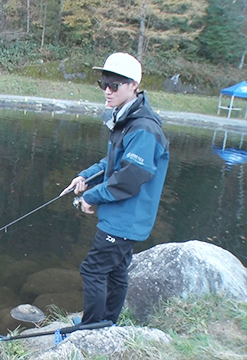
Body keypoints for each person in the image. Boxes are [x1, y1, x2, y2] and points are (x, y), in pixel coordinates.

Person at [60, 52, 169, 325]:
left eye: (115, 85)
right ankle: (107, 323)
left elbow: (129, 178)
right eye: (103, 83)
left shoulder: (143, 128)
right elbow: (112, 163)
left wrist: (91, 196)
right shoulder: (127, 118)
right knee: (117, 271)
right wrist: (84, 177)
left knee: (93, 270)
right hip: (121, 217)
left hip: (125, 218)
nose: (107, 91)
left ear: (134, 85)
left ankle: (91, 328)